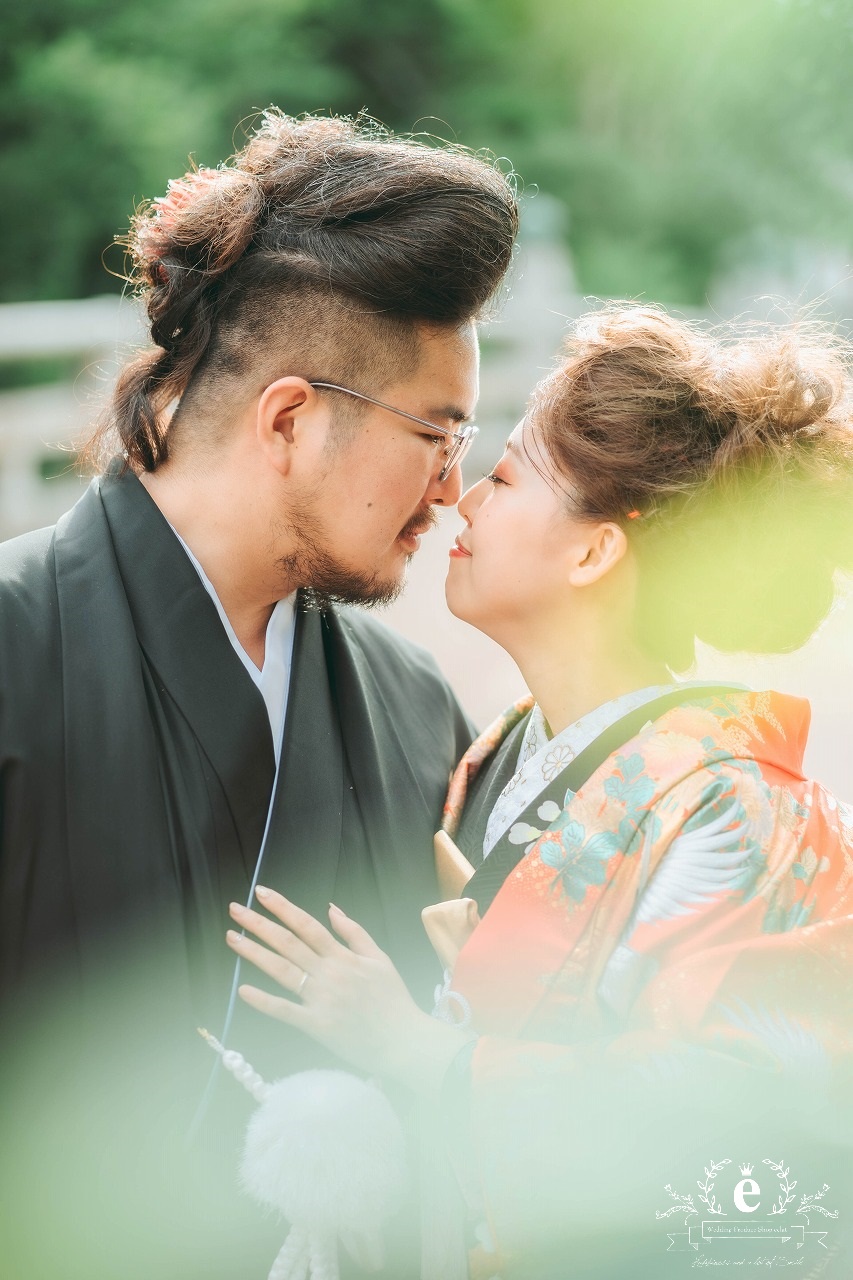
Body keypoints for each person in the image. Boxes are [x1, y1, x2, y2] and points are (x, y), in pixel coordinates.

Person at [230, 306, 853, 1278]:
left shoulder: (743, 813)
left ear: (593, 551)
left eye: (508, 475)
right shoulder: (490, 760)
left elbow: (748, 1136)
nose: (462, 500)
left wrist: (418, 1050)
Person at [0, 110, 517, 1278]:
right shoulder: (15, 641)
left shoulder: (411, 700)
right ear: (291, 417)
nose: (452, 485)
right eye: (436, 433)